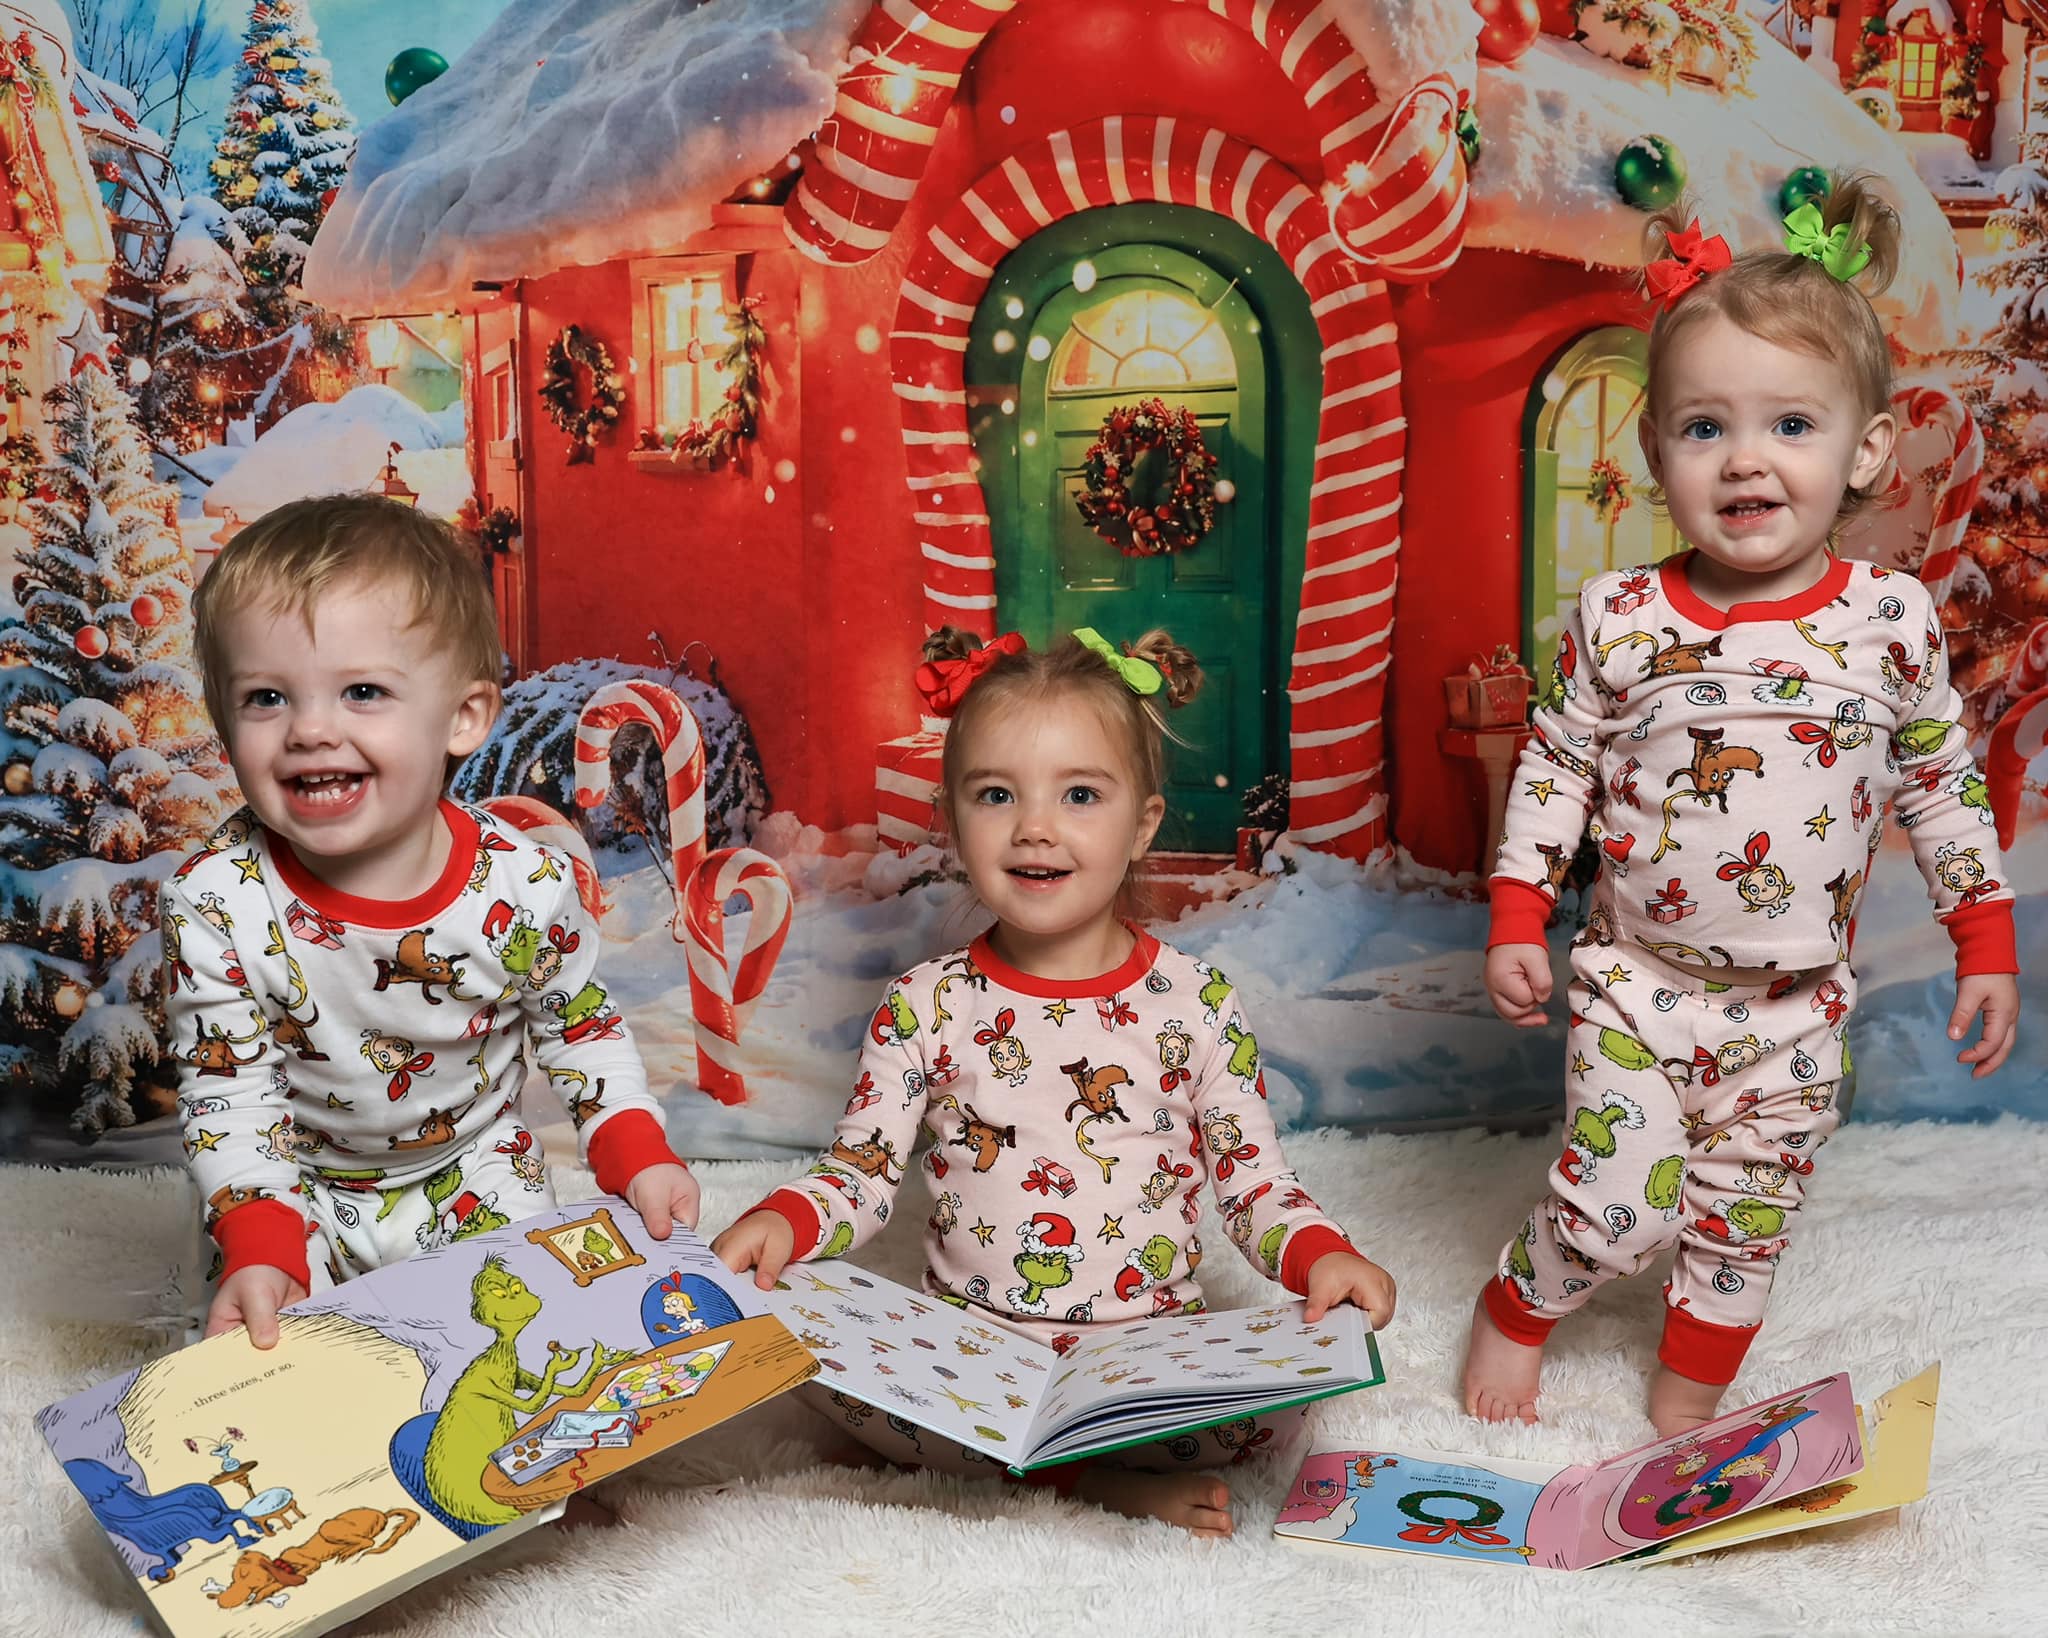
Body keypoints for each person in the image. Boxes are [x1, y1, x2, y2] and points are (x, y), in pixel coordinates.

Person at [1463, 180, 2021, 1437]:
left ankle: (1683, 1408)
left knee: (1743, 1218)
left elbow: (1937, 788)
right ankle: (1519, 1304)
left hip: (1792, 1010)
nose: (1745, 459)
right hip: (1637, 988)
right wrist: (1512, 910)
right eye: (1704, 428)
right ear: (1655, 449)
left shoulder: (1888, 624)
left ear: (1863, 451)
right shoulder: (1621, 619)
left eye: (1787, 423)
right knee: (1615, 1204)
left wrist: (1981, 940)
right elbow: (1553, 765)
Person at [714, 626, 1395, 1536]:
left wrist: (1323, 1258)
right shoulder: (925, 1001)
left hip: (1144, 1364)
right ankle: (1081, 1480)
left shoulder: (1195, 1004)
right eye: (997, 794)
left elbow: (1253, 1185)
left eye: (1080, 794)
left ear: (1143, 822)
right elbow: (861, 1175)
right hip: (972, 1359)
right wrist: (784, 1222)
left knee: (1279, 1401)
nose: (1036, 826)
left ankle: (1082, 1465)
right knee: (792, 1342)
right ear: (954, 821)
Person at [168, 494, 699, 1350]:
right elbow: (229, 1093)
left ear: (464, 718)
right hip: (294, 1181)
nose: (309, 730)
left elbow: (579, 1024)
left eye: (363, 692)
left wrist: (632, 1145)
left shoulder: (522, 888)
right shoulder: (217, 903)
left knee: (540, 1345)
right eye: (266, 697)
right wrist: (260, 1242)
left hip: (472, 1167)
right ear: (225, 721)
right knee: (261, 1367)